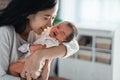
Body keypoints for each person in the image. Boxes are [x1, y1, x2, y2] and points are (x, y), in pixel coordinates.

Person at [0, 0, 79, 80]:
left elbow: (73, 45)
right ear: (28, 13)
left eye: (53, 18)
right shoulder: (5, 33)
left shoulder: (39, 32)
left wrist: (40, 55)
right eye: (46, 18)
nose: (50, 25)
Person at [9, 21, 78, 79]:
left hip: (35, 67)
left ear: (64, 41)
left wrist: (29, 47)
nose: (57, 30)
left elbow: (41, 48)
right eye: (58, 27)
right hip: (31, 65)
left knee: (12, 68)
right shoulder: (47, 33)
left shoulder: (53, 42)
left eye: (62, 33)